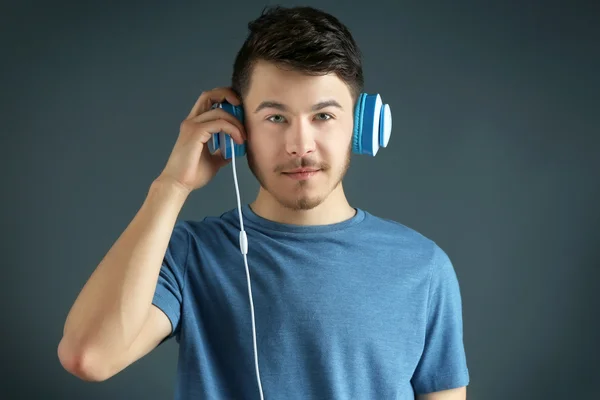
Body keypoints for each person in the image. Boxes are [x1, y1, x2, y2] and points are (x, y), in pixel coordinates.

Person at [58, 5, 470, 399]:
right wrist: (171, 187)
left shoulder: (423, 267)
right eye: (275, 117)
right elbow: (89, 357)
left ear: (361, 127)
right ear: (236, 128)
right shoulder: (191, 255)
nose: (299, 145)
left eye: (323, 116)